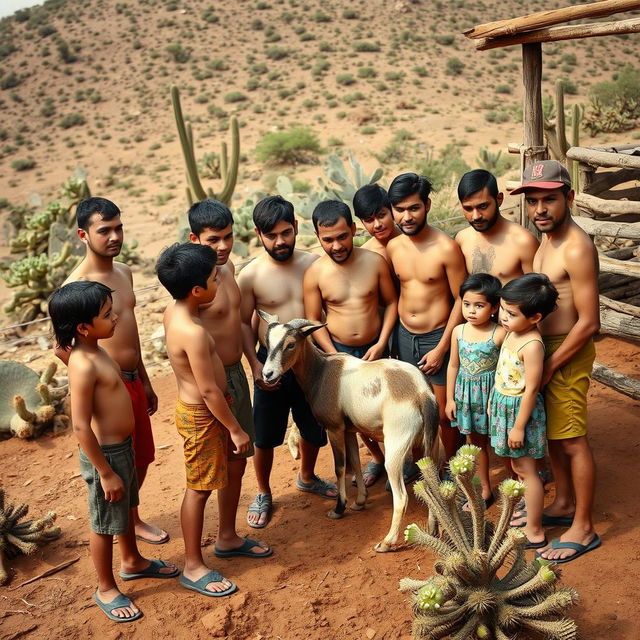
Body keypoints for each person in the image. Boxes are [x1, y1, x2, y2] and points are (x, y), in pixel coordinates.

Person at [48, 282, 178, 623]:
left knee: (126, 508)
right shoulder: (83, 363)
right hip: (106, 455)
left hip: (123, 448)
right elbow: (80, 427)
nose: (116, 317)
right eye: (107, 315)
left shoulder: (94, 349)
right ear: (83, 327)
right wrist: (104, 472)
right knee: (105, 523)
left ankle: (132, 560)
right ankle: (106, 586)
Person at [59, 197, 167, 545]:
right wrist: (100, 384)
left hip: (136, 379)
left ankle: (132, 520)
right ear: (83, 235)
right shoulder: (76, 285)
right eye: (104, 230)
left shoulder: (124, 272)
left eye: (118, 227)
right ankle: (125, 530)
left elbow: (131, 331)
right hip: (110, 389)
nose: (114, 236)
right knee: (119, 460)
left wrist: (145, 380)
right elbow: (63, 347)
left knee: (142, 457)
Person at [513, 160, 601, 563]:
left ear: (569, 197)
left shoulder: (577, 246)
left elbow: (589, 322)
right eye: (533, 201)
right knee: (552, 435)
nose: (539, 209)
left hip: (568, 349)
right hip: (545, 349)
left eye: (549, 199)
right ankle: (564, 502)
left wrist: (549, 367)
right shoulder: (546, 240)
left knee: (572, 439)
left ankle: (583, 527)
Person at [157, 243, 251, 597]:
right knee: (198, 489)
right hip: (204, 416)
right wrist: (235, 428)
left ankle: (225, 540)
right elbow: (209, 390)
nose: (219, 279)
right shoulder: (193, 332)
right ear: (198, 291)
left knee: (207, 481)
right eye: (214, 277)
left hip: (201, 411)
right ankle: (193, 566)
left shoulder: (174, 313)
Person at [238, 196, 337, 529]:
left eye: (285, 232)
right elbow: (243, 322)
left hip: (310, 360)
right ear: (258, 234)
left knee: (314, 425)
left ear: (295, 227)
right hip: (272, 362)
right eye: (271, 235)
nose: (279, 241)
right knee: (264, 434)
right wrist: (254, 364)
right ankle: (263, 492)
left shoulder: (314, 263)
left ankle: (307, 476)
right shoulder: (251, 275)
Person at [188, 200, 271, 558]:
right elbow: (184, 339)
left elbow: (237, 321)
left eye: (227, 237)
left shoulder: (228, 267)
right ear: (194, 239)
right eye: (212, 241)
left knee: (238, 463)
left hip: (237, 373)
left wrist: (253, 362)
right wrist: (209, 390)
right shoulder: (192, 284)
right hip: (210, 388)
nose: (222, 247)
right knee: (204, 478)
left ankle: (227, 536)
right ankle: (193, 561)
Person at [303, 200, 398, 487]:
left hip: (376, 349)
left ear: (354, 230)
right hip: (340, 353)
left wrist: (382, 342)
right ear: (318, 237)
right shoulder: (315, 274)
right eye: (328, 240)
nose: (336, 246)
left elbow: (392, 302)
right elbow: (311, 319)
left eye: (342, 237)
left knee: (387, 408)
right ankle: (377, 459)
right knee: (352, 417)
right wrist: (334, 356)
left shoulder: (374, 262)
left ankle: (401, 461)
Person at [386, 173, 467, 462]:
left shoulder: (446, 248)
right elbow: (397, 293)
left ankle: (452, 469)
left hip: (438, 335)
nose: (406, 216)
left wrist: (443, 347)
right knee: (414, 409)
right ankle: (424, 466)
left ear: (427, 205)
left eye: (413, 208)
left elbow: (461, 298)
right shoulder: (394, 247)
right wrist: (395, 338)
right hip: (406, 337)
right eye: (399, 209)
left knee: (445, 414)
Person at [490, 274, 558, 549]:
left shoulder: (531, 345)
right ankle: (530, 514)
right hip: (504, 406)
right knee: (519, 467)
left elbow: (531, 390)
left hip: (520, 411)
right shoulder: (513, 332)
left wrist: (518, 426)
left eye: (511, 313)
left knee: (528, 471)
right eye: (503, 309)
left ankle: (535, 529)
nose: (503, 316)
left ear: (534, 317)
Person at [445, 273, 505, 507]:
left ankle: (519, 487)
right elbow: (453, 365)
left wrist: (497, 399)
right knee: (475, 443)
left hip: (493, 398)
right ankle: (485, 490)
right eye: (466, 304)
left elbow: (505, 369)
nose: (471, 311)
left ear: (493, 307)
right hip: (466, 397)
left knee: (503, 443)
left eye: (479, 305)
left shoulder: (499, 333)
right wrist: (450, 399)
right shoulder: (458, 332)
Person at [455, 170, 539, 283]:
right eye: (468, 208)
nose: (476, 216)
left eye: (483, 206)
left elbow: (537, 294)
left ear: (499, 199)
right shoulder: (462, 239)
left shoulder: (523, 242)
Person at [353, 183, 401, 263]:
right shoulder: (364, 257)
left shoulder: (414, 240)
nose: (377, 225)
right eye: (369, 220)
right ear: (362, 222)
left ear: (392, 211)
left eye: (381, 215)